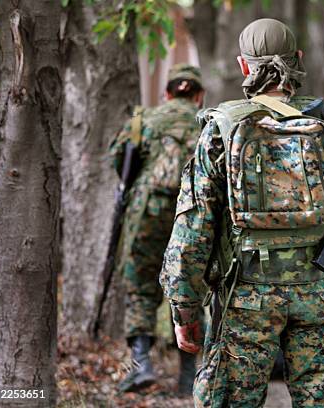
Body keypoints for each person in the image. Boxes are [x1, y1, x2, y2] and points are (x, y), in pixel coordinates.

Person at [160, 18, 324, 407]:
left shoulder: (222, 130)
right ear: (298, 59)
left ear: (244, 66)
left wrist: (184, 306)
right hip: (322, 295)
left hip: (246, 297)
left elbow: (192, 227)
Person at [109, 64, 205, 394]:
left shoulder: (143, 121)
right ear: (199, 96)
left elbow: (118, 159)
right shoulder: (206, 125)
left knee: (140, 287)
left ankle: (141, 365)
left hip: (146, 213)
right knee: (190, 288)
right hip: (190, 215)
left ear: (166, 94)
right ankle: (188, 376)